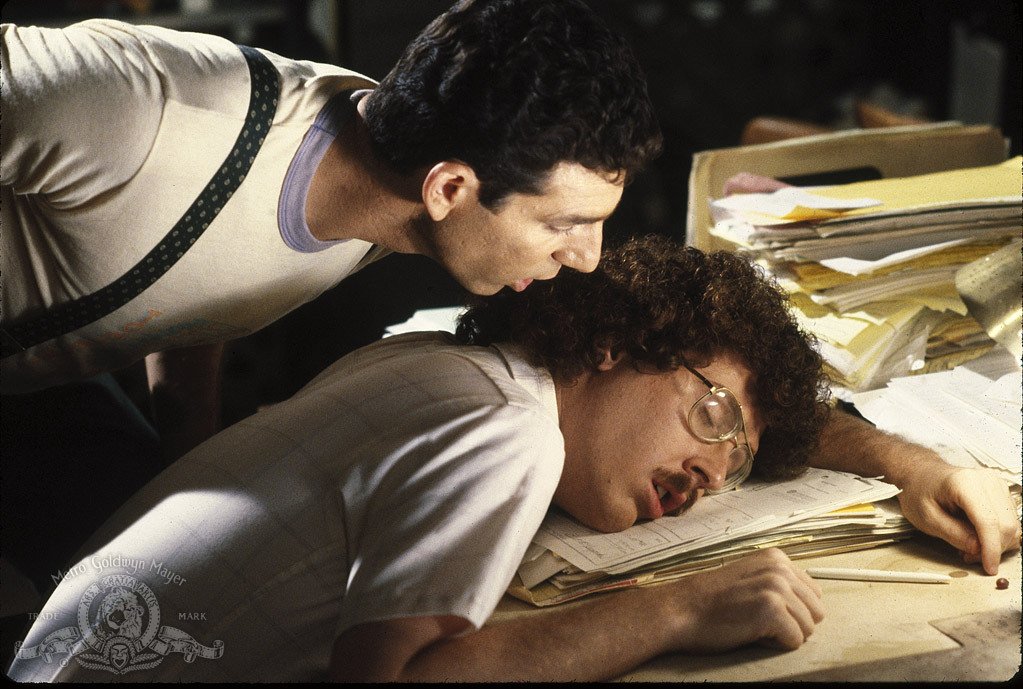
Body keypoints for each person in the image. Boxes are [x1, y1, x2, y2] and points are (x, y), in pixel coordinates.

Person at [7, 236, 1018, 683]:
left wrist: (919, 468)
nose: (712, 472)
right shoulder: (508, 430)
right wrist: (674, 609)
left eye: (738, 462)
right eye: (712, 417)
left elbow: (771, 424)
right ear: (619, 342)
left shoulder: (445, 355)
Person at [0, 0, 662, 590]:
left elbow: (211, 268)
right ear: (449, 189)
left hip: (40, 391)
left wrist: (187, 451)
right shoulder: (145, 110)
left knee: (156, 595)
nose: (587, 256)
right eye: (563, 224)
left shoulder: (389, 198)